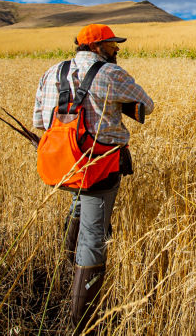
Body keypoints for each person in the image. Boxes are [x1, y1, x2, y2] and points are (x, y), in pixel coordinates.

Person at [33, 23, 154, 333]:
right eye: (113, 44)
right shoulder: (112, 74)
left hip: (60, 165)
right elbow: (147, 106)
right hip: (97, 167)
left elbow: (39, 121)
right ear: (99, 47)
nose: (117, 49)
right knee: (94, 237)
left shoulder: (51, 72)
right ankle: (83, 322)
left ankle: (66, 270)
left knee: (77, 207)